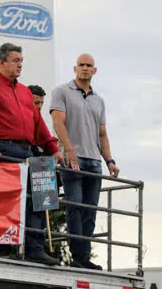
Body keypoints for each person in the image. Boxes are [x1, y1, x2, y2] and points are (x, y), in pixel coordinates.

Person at [0, 42, 63, 266]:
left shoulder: (23, 92)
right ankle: (3, 248)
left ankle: (35, 248)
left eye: (21, 61)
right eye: (15, 61)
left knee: (43, 188)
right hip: (0, 147)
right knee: (5, 197)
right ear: (1, 62)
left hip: (25, 149)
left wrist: (54, 149)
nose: (20, 65)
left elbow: (38, 123)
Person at [50, 54, 120, 270]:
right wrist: (69, 150)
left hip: (93, 162)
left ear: (94, 70)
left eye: (89, 65)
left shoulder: (99, 100)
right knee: (75, 207)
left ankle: (85, 256)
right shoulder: (61, 92)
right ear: (75, 68)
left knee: (90, 211)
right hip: (74, 159)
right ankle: (78, 256)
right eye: (81, 65)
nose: (85, 68)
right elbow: (57, 123)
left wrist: (109, 160)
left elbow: (102, 135)